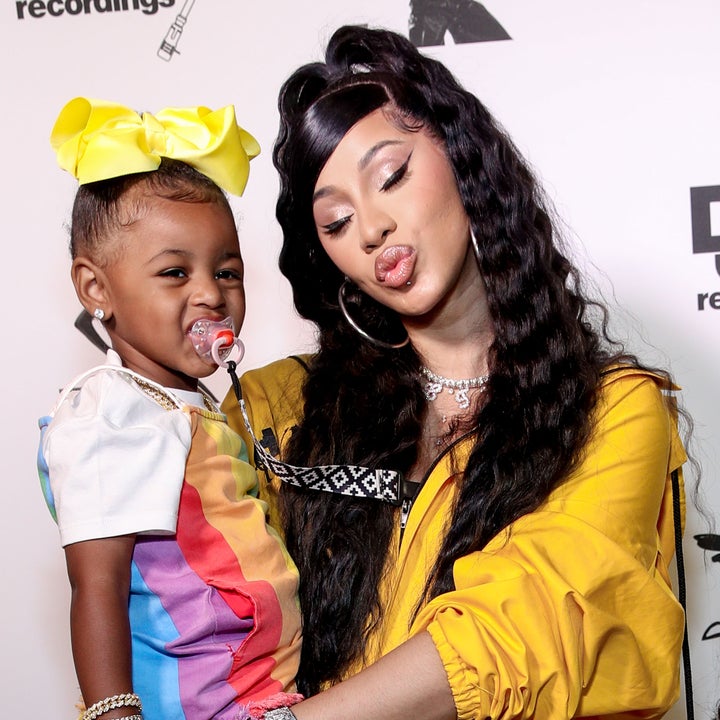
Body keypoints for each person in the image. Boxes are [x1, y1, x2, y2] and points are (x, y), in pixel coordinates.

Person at [221, 25, 689, 720]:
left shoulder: (614, 413)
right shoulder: (274, 410)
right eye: (337, 221)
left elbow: (521, 626)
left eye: (391, 177)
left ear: (464, 159)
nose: (372, 229)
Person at [37, 98, 302, 720]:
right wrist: (115, 714)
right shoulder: (109, 413)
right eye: (175, 273)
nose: (211, 293)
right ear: (96, 289)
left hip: (258, 694)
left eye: (227, 272)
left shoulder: (182, 403)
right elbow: (97, 585)